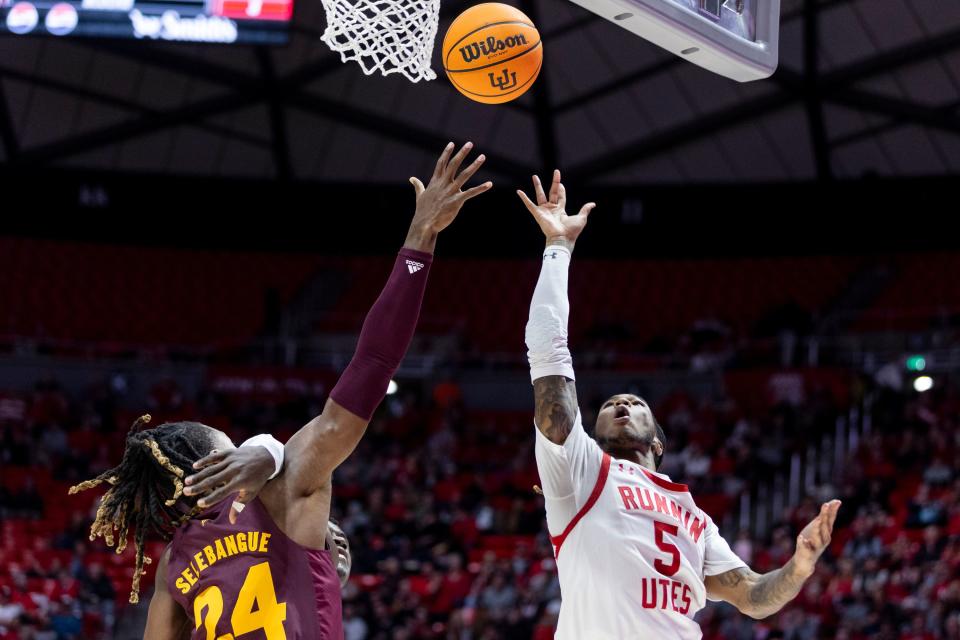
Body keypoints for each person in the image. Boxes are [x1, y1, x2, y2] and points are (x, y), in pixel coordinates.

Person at [68, 142, 491, 640]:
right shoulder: (285, 487)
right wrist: (420, 239)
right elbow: (373, 364)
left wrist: (313, 580)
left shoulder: (172, 564)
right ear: (212, 463)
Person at [517, 170, 842, 639]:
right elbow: (548, 354)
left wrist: (800, 564)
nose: (623, 403)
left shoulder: (696, 517)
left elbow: (753, 595)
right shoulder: (580, 470)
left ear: (659, 440)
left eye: (635, 402)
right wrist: (557, 249)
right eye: (611, 403)